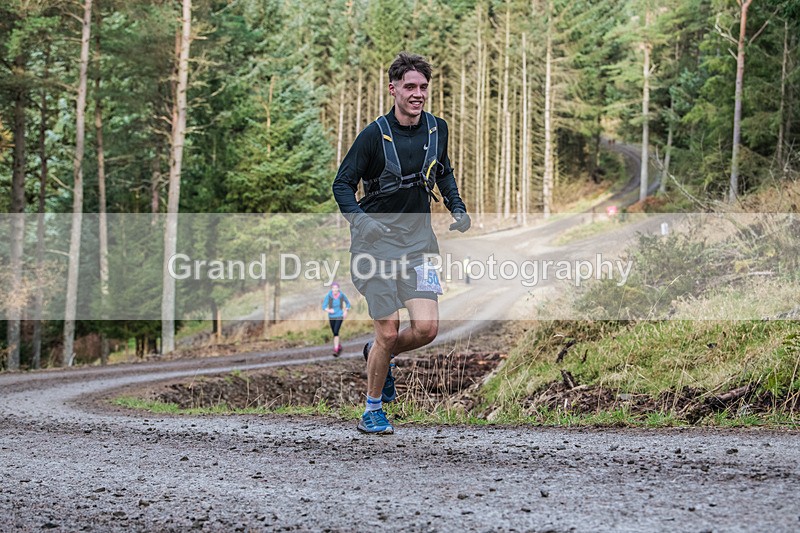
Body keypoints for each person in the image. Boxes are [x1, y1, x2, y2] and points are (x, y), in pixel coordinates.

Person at [332, 52, 471, 434]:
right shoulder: (373, 135)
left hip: (419, 247)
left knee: (427, 328)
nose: (417, 94)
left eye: (423, 87)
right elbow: (342, 185)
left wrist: (457, 206)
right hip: (374, 249)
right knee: (389, 331)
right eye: (410, 86)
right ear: (393, 89)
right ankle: (372, 409)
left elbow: (443, 172)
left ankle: (377, 352)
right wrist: (362, 221)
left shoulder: (437, 129)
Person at [322, 282, 351, 356]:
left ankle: (336, 349)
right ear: (331, 289)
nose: (335, 289)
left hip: (339, 315)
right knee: (334, 333)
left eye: (336, 288)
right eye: (333, 288)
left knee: (336, 332)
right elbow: (324, 306)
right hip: (331, 316)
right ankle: (338, 345)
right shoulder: (329, 296)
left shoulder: (341, 295)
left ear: (338, 288)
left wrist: (345, 311)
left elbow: (348, 303)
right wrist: (329, 310)